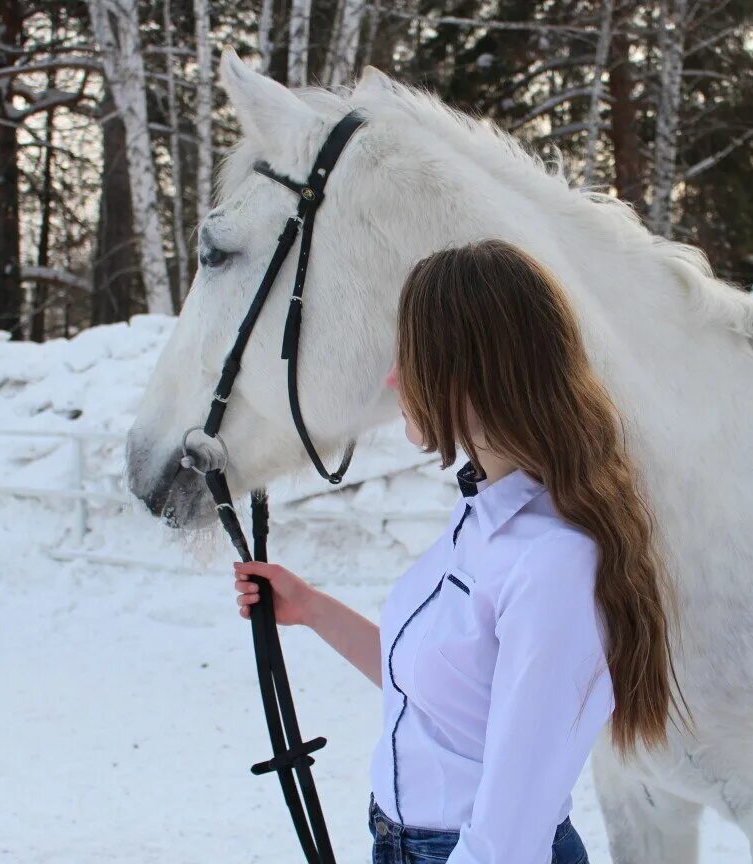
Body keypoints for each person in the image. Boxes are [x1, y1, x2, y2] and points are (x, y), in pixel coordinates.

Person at [232, 239, 690, 864]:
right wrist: (312, 609)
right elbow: (440, 697)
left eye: (412, 359)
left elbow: (511, 832)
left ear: (470, 373)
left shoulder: (553, 562)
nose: (394, 380)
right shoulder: (484, 514)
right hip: (408, 845)